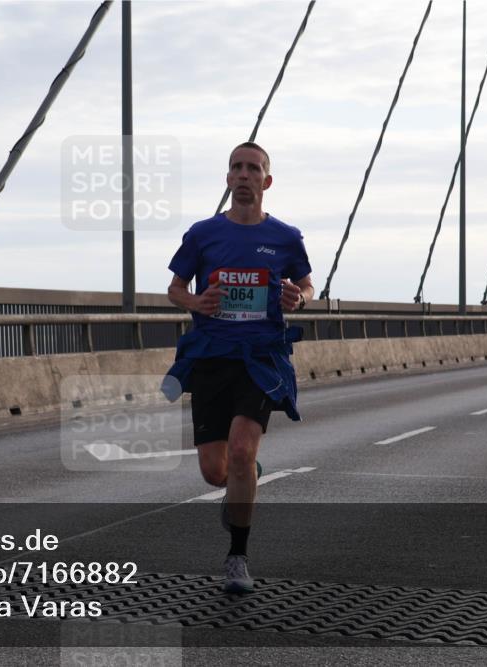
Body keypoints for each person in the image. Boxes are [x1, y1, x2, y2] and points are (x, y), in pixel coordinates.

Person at [162, 142, 313, 593]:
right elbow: (175, 287)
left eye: (253, 168)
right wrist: (194, 300)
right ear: (228, 179)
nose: (244, 175)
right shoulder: (203, 234)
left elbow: (306, 283)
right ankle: (244, 482)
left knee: (243, 451)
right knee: (215, 470)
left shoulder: (286, 237)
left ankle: (237, 557)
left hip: (260, 359)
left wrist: (299, 296)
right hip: (211, 357)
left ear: (266, 181)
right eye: (236, 168)